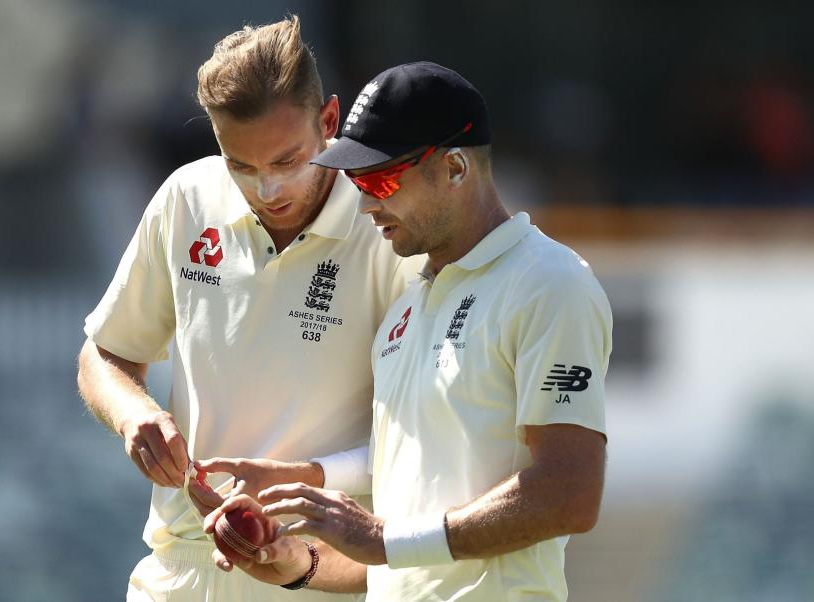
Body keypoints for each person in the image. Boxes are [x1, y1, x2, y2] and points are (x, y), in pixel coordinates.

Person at [202, 61, 613, 601]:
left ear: (457, 168)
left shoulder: (550, 283)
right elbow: (398, 550)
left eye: (382, 179)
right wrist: (295, 562)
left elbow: (570, 493)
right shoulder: (406, 309)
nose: (367, 203)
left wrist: (379, 536)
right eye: (357, 183)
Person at [77, 17, 417, 601]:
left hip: (324, 570)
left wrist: (306, 485)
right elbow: (105, 355)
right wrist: (135, 416)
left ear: (330, 122)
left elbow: (420, 438)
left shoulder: (389, 230)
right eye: (242, 166)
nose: (268, 191)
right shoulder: (186, 196)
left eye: (287, 162)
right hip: (181, 567)